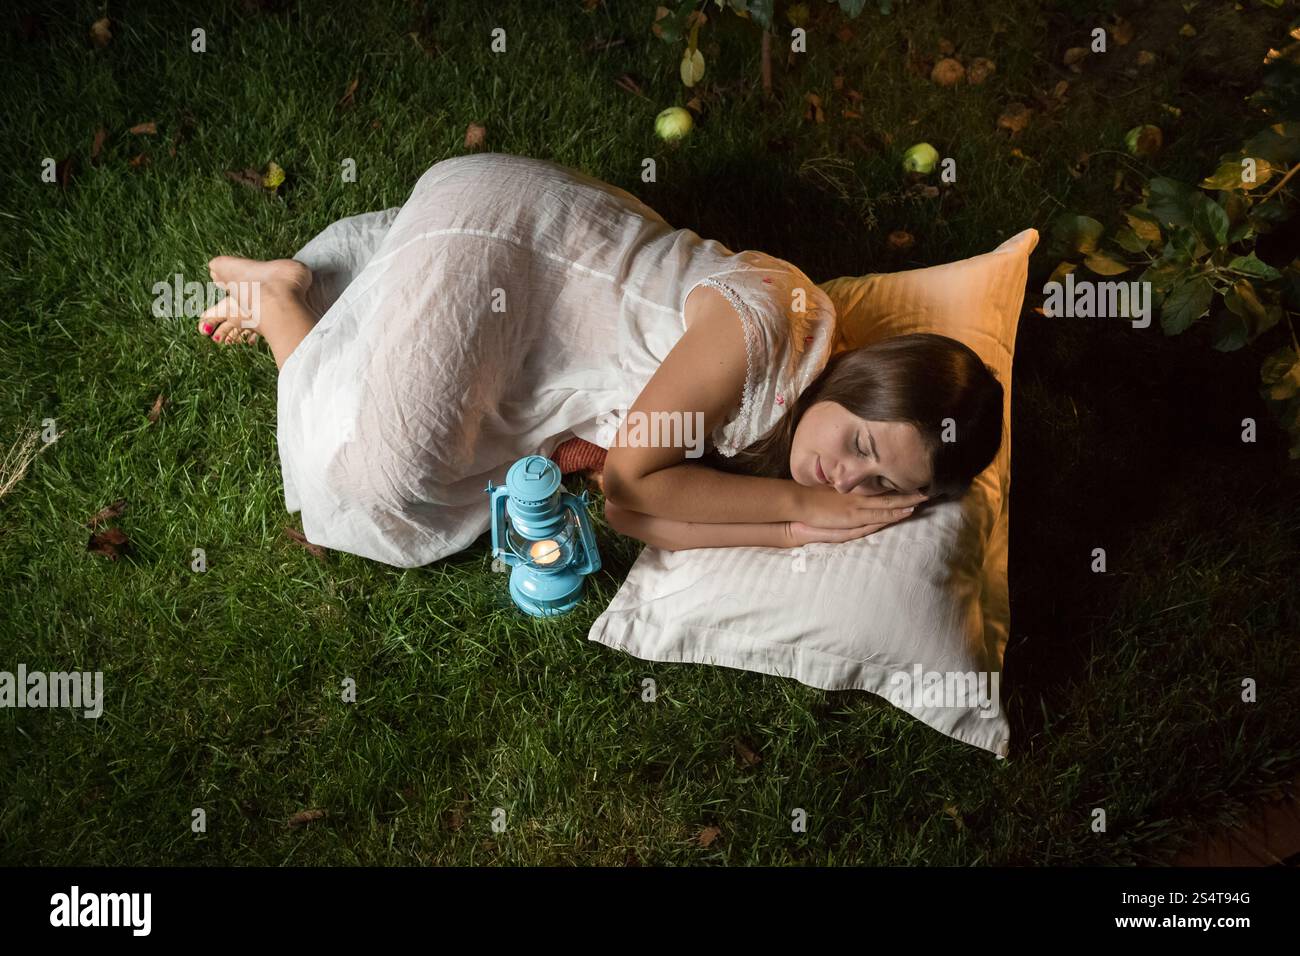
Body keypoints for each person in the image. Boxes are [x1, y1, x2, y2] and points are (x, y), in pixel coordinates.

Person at [199, 152, 1002, 565]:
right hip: (508, 242)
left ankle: (358, 298)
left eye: (881, 487)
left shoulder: (779, 430)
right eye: (862, 445)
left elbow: (629, 518)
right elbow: (628, 481)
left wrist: (795, 535)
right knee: (380, 482)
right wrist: (813, 515)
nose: (847, 482)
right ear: (858, 381)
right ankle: (284, 302)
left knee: (451, 466)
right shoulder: (762, 328)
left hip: (540, 304)